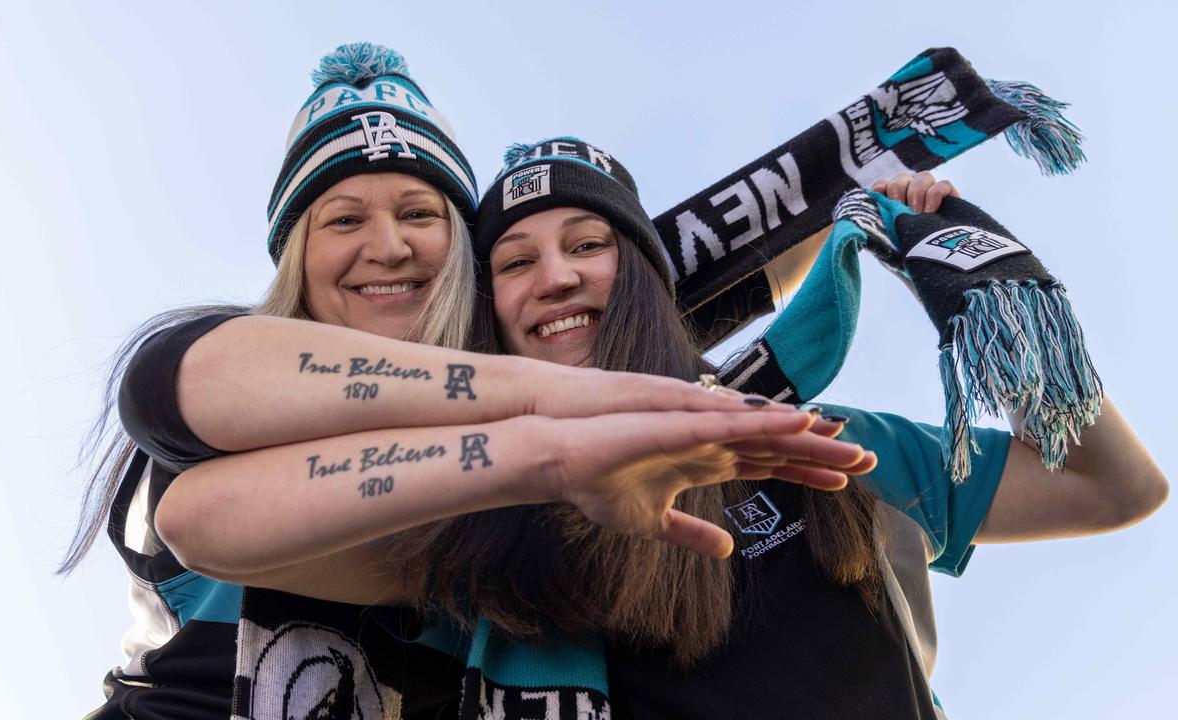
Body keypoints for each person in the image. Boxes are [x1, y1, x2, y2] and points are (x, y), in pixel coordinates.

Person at [165, 137, 1168, 718]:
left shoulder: (818, 442)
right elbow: (202, 519)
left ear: (642, 278)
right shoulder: (481, 504)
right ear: (483, 318)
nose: (554, 275)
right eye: (511, 263)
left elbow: (1111, 487)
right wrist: (545, 455)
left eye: (588, 243)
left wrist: (989, 284)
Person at [63, 45, 872, 720]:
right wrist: (550, 409)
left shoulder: (509, 456)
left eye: (420, 214)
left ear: (463, 255)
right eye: (343, 220)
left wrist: (867, 207)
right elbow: (172, 392)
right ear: (295, 257)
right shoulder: (248, 389)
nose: (389, 248)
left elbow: (654, 291)